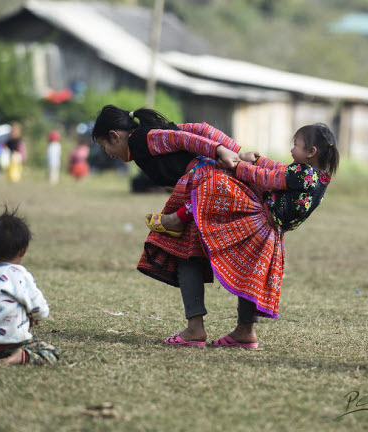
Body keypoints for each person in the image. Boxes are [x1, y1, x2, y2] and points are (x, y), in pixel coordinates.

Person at [147, 123, 338, 348]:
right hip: (272, 235)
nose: (291, 150)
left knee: (211, 185)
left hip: (259, 220)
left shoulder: (301, 173)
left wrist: (237, 166)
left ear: (311, 152)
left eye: (295, 145)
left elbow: (267, 178)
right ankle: (245, 332)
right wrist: (255, 159)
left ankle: (177, 218)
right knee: (250, 275)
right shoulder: (319, 178)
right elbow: (277, 170)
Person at [92, 105, 267, 347]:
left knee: (184, 252)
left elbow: (184, 137)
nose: (109, 154)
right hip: (215, 184)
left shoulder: (143, 139)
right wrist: (236, 152)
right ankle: (245, 331)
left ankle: (196, 329)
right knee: (244, 251)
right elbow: (199, 130)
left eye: (105, 147)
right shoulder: (152, 134)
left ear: (115, 135)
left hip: (208, 184)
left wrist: (228, 152)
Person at [0, 207, 59, 365]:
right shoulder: (21, 275)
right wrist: (39, 313)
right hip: (12, 344)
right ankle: (16, 358)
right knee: (51, 352)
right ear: (24, 250)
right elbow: (39, 309)